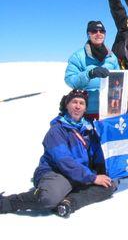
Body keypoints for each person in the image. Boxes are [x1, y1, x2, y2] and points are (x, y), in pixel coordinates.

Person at [0, 90, 116, 218]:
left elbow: (97, 154)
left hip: (81, 173)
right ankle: (6, 203)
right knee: (48, 199)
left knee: (109, 185)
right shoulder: (56, 130)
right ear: (67, 105)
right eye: (74, 102)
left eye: (81, 103)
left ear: (85, 108)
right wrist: (93, 178)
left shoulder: (89, 129)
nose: (77, 106)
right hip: (58, 173)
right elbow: (64, 162)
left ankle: (69, 203)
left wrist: (101, 172)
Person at [65, 21, 119, 120]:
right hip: (86, 113)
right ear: (88, 34)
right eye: (94, 31)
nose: (98, 34)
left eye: (101, 31)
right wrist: (89, 74)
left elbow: (118, 83)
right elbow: (70, 80)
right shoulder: (78, 56)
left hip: (108, 112)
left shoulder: (112, 57)